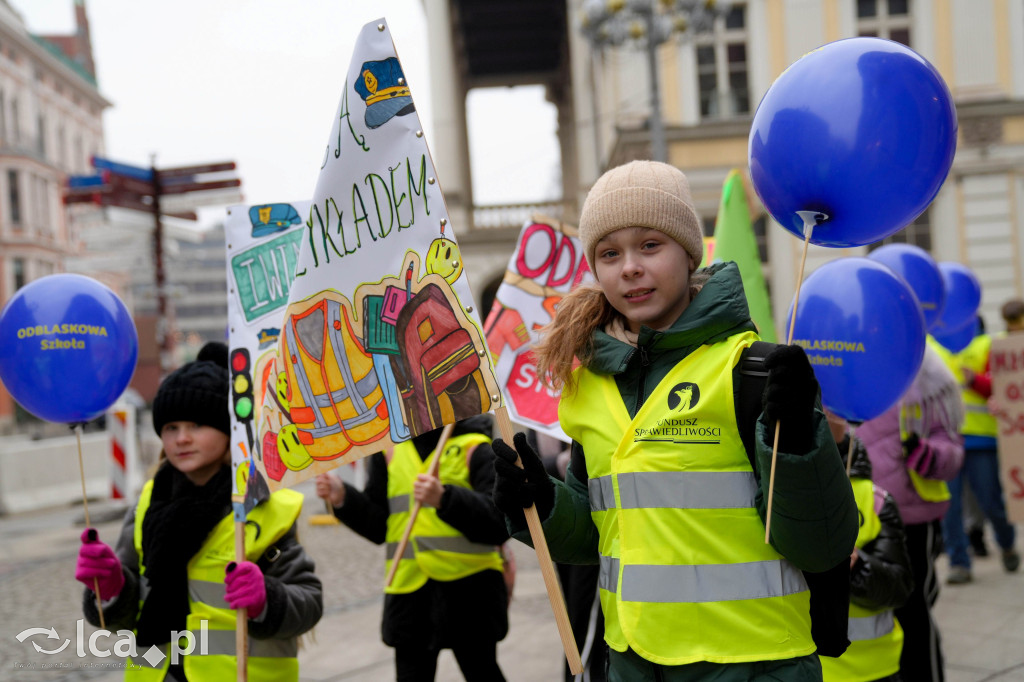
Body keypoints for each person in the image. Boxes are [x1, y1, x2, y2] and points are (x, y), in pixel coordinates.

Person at [490, 160, 859, 680]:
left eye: (649, 245)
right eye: (609, 253)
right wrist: (543, 503)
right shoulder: (587, 385)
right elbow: (596, 539)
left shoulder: (752, 372)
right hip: (632, 664)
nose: (630, 268)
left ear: (690, 253)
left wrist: (798, 443)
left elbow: (822, 543)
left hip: (756, 665)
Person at [75, 341, 323, 681]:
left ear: (229, 432)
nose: (181, 439)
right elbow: (124, 614)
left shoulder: (264, 507)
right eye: (171, 428)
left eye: (196, 425)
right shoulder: (148, 504)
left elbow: (308, 604)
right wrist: (112, 588)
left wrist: (266, 599)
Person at [315, 415, 510, 682]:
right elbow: (380, 527)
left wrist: (445, 499)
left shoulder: (476, 446)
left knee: (482, 672)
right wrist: (344, 498)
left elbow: (498, 524)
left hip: (470, 593)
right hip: (409, 595)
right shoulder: (390, 451)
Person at [856, 343, 965, 682]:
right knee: (871, 610)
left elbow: (951, 449)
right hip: (859, 516)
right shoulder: (836, 368)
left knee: (914, 611)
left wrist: (925, 453)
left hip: (912, 517)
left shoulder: (922, 371)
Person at [822, 413, 914, 682]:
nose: (821, 415)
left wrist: (857, 565)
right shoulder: (778, 493)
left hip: (874, 668)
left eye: (828, 408)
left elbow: (899, 587)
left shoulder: (874, 500)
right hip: (806, 666)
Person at [932, 316, 1020, 585]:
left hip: (981, 438)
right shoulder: (930, 346)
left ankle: (1006, 543)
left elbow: (1005, 387)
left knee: (991, 500)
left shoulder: (987, 345)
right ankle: (960, 563)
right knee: (950, 506)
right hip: (944, 440)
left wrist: (975, 381)